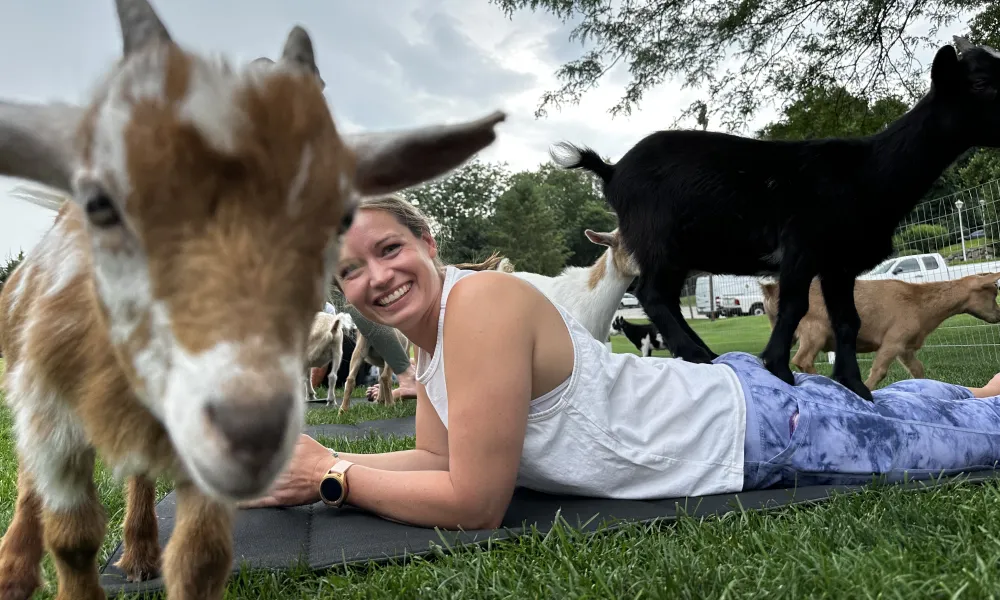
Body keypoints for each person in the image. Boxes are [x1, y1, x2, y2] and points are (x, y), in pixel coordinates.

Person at [240, 193, 1000, 531]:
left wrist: (334, 480)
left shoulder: (481, 305)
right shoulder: (434, 334)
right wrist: (322, 459)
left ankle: (985, 401)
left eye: (389, 249)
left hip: (761, 431)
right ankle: (977, 390)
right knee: (913, 408)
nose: (375, 278)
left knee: (980, 441)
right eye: (350, 271)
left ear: (428, 246)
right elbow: (439, 461)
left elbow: (473, 505)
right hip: (737, 399)